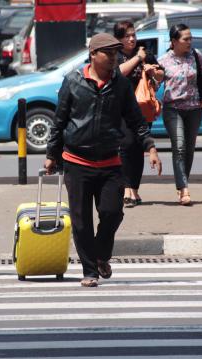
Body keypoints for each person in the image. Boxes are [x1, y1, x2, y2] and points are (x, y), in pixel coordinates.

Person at [45, 33, 162, 288]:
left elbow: (135, 120)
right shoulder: (73, 81)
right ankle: (90, 270)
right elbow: (59, 120)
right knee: (81, 220)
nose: (113, 58)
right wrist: (52, 154)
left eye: (115, 54)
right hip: (76, 160)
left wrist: (150, 147)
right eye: (108, 53)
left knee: (112, 213)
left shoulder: (120, 85)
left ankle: (101, 254)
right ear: (93, 55)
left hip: (110, 161)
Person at [158, 24, 202, 205]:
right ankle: (184, 189)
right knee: (179, 147)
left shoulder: (196, 56)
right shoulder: (163, 60)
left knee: (189, 149)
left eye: (191, 38)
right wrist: (154, 78)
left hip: (194, 109)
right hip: (173, 109)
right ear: (174, 41)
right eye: (185, 39)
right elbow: (154, 84)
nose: (190, 42)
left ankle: (182, 186)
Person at [114, 21, 164, 208]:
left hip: (142, 107)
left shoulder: (145, 53)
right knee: (126, 145)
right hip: (121, 108)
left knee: (139, 148)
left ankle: (134, 189)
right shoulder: (116, 54)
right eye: (127, 36)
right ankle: (126, 188)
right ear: (119, 38)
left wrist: (153, 71)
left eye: (133, 35)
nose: (132, 39)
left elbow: (161, 75)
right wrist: (137, 59)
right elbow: (117, 73)